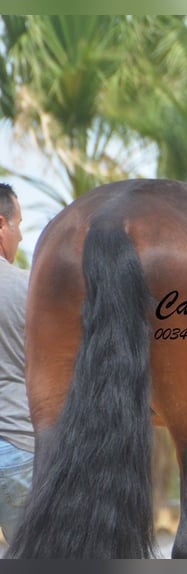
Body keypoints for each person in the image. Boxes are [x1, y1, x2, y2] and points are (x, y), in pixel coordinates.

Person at [0, 183, 33, 545]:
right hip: (18, 448)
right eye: (18, 224)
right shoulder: (28, 288)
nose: (21, 236)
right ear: (0, 225)